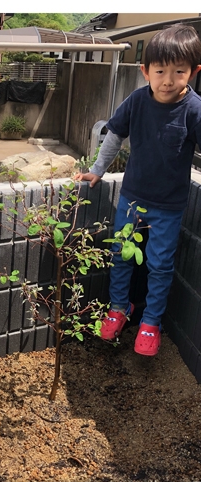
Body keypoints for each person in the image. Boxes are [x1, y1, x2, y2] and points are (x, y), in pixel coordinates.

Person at [76, 24, 201, 357]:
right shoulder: (136, 101)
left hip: (170, 207)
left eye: (179, 72)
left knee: (160, 265)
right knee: (120, 255)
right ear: (146, 71)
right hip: (131, 200)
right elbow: (114, 134)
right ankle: (119, 307)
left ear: (194, 72)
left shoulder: (194, 109)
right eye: (160, 71)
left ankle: (152, 322)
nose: (168, 80)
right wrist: (97, 170)